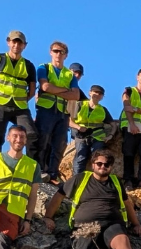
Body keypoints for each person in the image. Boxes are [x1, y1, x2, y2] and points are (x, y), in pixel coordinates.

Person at [42, 150, 141, 249]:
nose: (103, 167)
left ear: (111, 167)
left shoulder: (116, 182)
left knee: (122, 240)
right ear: (93, 165)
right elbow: (59, 196)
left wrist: (136, 223)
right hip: (86, 227)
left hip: (112, 223)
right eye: (99, 164)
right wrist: (48, 216)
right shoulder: (81, 179)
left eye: (107, 164)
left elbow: (127, 204)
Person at [0, 30, 39, 159]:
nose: (16, 46)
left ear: (24, 45)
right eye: (14, 42)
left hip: (20, 107)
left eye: (20, 43)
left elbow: (31, 90)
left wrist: (23, 99)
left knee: (31, 135)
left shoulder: (28, 66)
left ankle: (34, 169)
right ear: (8, 42)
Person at [35, 41, 80, 183]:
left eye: (61, 52)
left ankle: (52, 173)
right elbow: (45, 86)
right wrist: (65, 91)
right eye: (55, 51)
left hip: (62, 112)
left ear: (66, 55)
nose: (58, 54)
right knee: (42, 139)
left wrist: (55, 90)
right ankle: (39, 170)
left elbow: (76, 95)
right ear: (50, 52)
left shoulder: (69, 74)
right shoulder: (44, 68)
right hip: (46, 109)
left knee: (60, 143)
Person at [68, 85, 115, 176]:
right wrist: (78, 127)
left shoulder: (102, 110)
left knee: (98, 158)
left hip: (98, 137)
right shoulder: (80, 105)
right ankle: (77, 180)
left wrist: (110, 136)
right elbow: (69, 121)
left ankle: (96, 179)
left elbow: (113, 125)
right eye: (95, 92)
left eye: (100, 93)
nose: (97, 94)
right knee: (80, 157)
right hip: (82, 135)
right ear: (90, 93)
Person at [66, 63, 87, 141]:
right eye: (75, 72)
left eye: (80, 74)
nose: (77, 75)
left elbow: (87, 102)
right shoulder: (62, 83)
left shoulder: (77, 90)